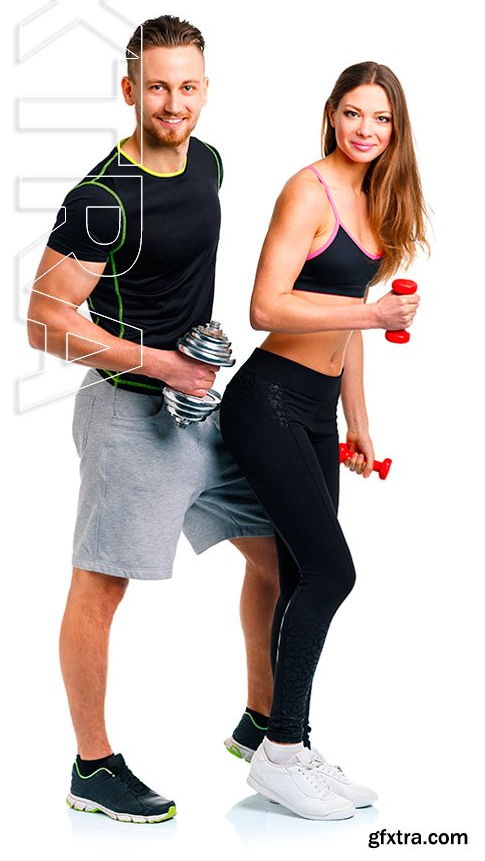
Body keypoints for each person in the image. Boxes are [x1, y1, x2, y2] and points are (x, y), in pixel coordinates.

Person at [27, 15, 280, 824]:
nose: (175, 102)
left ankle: (265, 724)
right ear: (131, 89)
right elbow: (43, 321)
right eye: (159, 86)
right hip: (130, 415)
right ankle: (92, 769)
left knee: (280, 555)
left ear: (206, 88)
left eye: (189, 86)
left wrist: (194, 362)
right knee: (101, 589)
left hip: (205, 412)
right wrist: (164, 363)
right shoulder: (100, 200)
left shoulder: (207, 161)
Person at [219, 61, 427, 821]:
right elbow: (264, 305)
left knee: (305, 570)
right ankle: (278, 754)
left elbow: (349, 315)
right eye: (353, 113)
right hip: (267, 400)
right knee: (331, 573)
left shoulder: (376, 198)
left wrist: (358, 419)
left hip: (315, 409)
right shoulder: (309, 191)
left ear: (396, 129)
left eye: (381, 118)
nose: (366, 129)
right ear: (332, 115)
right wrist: (372, 318)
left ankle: (290, 744)